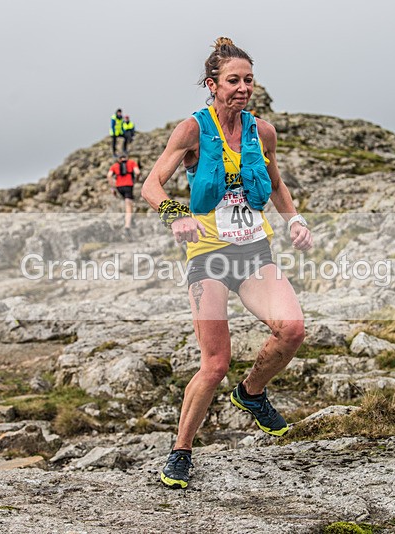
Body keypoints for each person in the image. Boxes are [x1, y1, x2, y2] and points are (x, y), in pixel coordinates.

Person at [141, 37, 312, 489]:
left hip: (255, 251)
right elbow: (152, 184)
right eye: (232, 80)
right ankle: (180, 450)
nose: (242, 88)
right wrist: (175, 214)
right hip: (209, 257)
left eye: (248, 79)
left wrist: (294, 221)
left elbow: (275, 183)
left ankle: (251, 393)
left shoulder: (263, 131)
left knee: (292, 329)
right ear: (212, 84)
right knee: (215, 362)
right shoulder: (192, 130)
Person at [107, 154, 140, 237]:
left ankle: (124, 219)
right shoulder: (131, 163)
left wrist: (112, 187)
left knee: (124, 202)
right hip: (128, 185)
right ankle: (127, 225)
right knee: (128, 205)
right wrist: (136, 180)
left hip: (119, 187)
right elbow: (137, 172)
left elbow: (109, 175)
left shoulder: (115, 165)